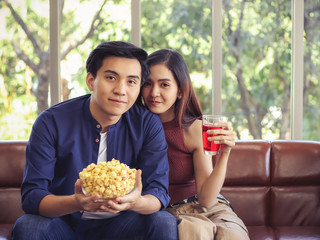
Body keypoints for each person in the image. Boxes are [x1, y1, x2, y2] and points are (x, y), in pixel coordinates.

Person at [12, 41, 178, 240]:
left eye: (131, 82)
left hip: (123, 225)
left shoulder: (147, 123)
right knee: (29, 226)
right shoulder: (51, 122)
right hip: (65, 224)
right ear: (91, 80)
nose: (121, 90)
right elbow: (32, 197)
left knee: (163, 222)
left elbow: (158, 192)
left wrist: (134, 202)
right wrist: (76, 202)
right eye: (111, 78)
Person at [140, 49, 249, 240]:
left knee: (233, 236)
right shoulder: (134, 127)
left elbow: (206, 200)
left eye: (164, 84)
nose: (154, 93)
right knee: (197, 233)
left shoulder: (194, 129)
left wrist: (224, 155)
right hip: (171, 213)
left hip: (209, 207)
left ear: (180, 90)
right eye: (148, 84)